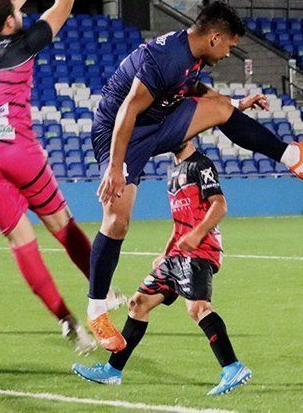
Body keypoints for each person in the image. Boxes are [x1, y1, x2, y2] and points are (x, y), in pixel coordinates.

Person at [86, 1, 303, 352]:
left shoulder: (193, 57)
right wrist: (114, 166)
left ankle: (296, 157)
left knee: (219, 108)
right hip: (121, 132)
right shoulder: (167, 58)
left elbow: (193, 90)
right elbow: (128, 108)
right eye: (230, 45)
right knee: (117, 221)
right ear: (215, 37)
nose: (229, 52)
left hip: (158, 120)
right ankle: (96, 309)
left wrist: (235, 105)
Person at [0, 0, 123, 354]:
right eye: (17, 13)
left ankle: (66, 320)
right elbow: (62, 8)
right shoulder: (21, 45)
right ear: (11, 24)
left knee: (21, 242)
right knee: (62, 226)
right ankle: (100, 293)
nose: (21, 9)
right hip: (19, 151)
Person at [72, 140, 252, 395]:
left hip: (199, 250)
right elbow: (179, 221)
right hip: (177, 253)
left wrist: (196, 235)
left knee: (198, 308)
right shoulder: (174, 172)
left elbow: (220, 205)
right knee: (138, 303)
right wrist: (165, 253)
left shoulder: (201, 165)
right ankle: (113, 370)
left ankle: (233, 367)